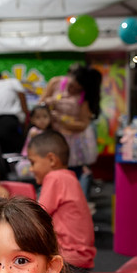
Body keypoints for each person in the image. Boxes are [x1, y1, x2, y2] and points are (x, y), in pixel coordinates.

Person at [27, 131, 96, 273]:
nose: (31, 169)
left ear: (51, 160)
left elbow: (37, 216)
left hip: (69, 262)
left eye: (33, 162)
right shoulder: (68, 178)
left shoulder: (55, 178)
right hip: (79, 261)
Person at [42, 65, 101, 196]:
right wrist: (47, 105)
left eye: (77, 89)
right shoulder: (55, 82)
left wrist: (62, 120)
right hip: (53, 139)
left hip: (73, 145)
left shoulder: (84, 97)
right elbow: (41, 104)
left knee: (72, 181)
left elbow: (82, 125)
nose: (72, 89)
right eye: (72, 84)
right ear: (70, 76)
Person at [0, 72, 29, 154]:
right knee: (18, 152)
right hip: (10, 121)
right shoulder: (11, 82)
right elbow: (22, 96)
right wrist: (27, 118)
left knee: (2, 153)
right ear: (1, 77)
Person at [14, 104, 53, 179]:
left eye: (45, 116)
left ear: (50, 118)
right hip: (29, 162)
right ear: (32, 120)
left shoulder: (49, 132)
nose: (42, 120)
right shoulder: (34, 132)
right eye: (38, 117)